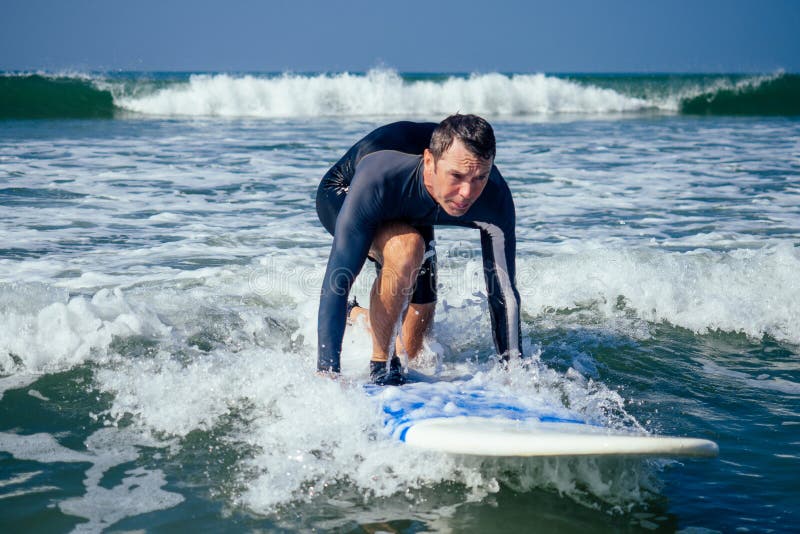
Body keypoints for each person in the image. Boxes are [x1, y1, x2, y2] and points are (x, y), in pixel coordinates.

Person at [316, 114, 522, 385]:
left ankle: (356, 316)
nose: (466, 193)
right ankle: (382, 369)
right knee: (407, 251)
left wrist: (515, 374)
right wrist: (328, 372)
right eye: (457, 176)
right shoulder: (378, 179)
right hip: (347, 191)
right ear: (429, 162)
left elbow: (504, 292)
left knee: (415, 342)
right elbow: (338, 281)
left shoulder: (494, 198)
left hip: (416, 204)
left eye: (480, 177)